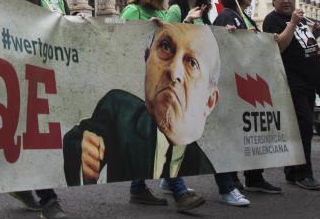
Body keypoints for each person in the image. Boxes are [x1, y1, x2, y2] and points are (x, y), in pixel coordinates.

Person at [63, 23, 218, 205]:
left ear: (209, 101)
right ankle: (177, 191)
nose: (174, 72)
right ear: (147, 58)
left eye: (192, 63)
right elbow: (81, 140)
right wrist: (84, 154)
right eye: (165, 47)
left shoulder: (203, 164)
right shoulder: (119, 110)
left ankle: (147, 189)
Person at [1, 0, 69, 219]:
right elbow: (5, 20)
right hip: (28, 68)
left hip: (56, 67)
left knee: (42, 135)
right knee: (38, 135)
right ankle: (48, 198)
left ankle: (20, 183)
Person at [212, 0, 281, 196]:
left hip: (251, 83)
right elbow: (221, 45)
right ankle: (232, 178)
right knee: (234, 134)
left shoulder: (246, 18)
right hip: (235, 85)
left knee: (252, 133)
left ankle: (254, 175)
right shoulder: (225, 16)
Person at [261, 0, 320, 191]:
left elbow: (299, 47)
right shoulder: (273, 20)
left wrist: (314, 35)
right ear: (273, 1)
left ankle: (293, 172)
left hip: (308, 81)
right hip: (291, 81)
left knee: (302, 128)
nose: (286, 0)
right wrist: (292, 23)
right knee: (303, 128)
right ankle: (303, 173)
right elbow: (279, 46)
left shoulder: (298, 22)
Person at [118, 0, 170, 207]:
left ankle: (138, 187)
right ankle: (179, 191)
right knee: (154, 135)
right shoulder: (132, 11)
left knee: (157, 136)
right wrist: (143, 29)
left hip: (163, 83)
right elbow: (119, 41)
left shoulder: (163, 13)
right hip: (138, 81)